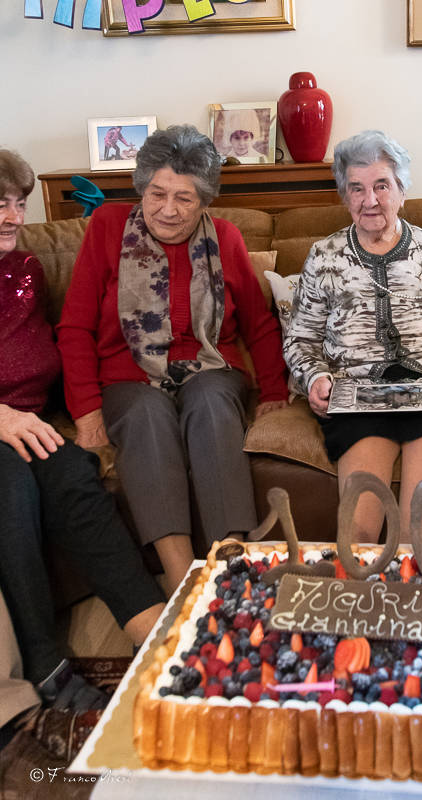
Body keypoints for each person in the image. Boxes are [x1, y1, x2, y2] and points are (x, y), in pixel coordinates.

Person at [57, 125, 289, 594]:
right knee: (145, 415)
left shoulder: (224, 237)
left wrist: (274, 391)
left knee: (210, 404)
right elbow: (75, 327)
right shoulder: (106, 228)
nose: (167, 209)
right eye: (158, 193)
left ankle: (231, 567)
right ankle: (185, 580)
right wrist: (85, 411)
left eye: (185, 198)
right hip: (127, 373)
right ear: (142, 187)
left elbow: (259, 324)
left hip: (208, 365)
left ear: (205, 201)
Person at [0, 149, 166, 718]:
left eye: (19, 204)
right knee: (12, 491)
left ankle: (151, 626)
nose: (13, 217)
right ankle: (45, 662)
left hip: (30, 422)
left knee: (74, 474)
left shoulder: (24, 269)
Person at [283, 130, 422, 544]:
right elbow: (301, 339)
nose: (370, 200)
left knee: (416, 535)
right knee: (358, 536)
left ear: (402, 190)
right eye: (357, 188)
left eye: (382, 185)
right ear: (345, 196)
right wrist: (315, 379)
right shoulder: (324, 256)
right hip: (357, 398)